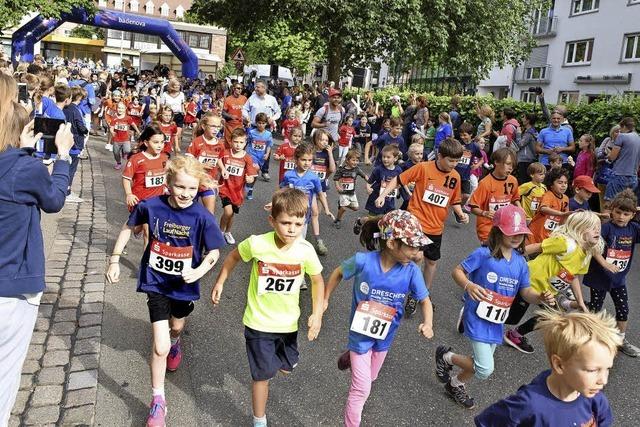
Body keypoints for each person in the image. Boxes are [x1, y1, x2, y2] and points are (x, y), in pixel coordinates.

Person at [107, 155, 225, 427]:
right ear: (168, 184)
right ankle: (158, 400)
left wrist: (199, 271)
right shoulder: (151, 206)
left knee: (177, 327)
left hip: (184, 285)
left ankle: (176, 342)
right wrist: (115, 259)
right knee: (159, 346)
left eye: (192, 189)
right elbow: (128, 227)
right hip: (156, 282)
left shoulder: (202, 217)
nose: (186, 194)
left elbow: (215, 252)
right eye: (180, 187)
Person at [211, 188, 325, 427]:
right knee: (262, 376)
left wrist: (317, 314)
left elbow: (316, 280)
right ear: (272, 221)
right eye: (285, 223)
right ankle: (259, 420)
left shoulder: (305, 250)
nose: (292, 229)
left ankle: (283, 362)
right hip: (258, 322)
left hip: (288, 324)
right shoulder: (257, 244)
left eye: (297, 223)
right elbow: (233, 257)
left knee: (286, 368)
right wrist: (220, 282)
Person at [0, 76, 74, 424]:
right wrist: (62, 157)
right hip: (10, 292)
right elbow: (55, 200)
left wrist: (22, 148)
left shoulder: (18, 164)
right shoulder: (22, 169)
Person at [435, 205, 552, 409]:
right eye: (511, 232)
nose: (516, 237)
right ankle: (447, 358)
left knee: (481, 361)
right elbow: (458, 271)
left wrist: (540, 297)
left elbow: (526, 293)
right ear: (498, 231)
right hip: (477, 316)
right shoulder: (483, 254)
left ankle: (456, 383)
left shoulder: (521, 263)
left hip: (497, 321)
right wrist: (468, 284)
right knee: (485, 368)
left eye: (520, 233)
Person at [324, 210, 434, 426]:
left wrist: (428, 323)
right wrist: (325, 299)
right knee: (362, 388)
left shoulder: (411, 271)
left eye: (418, 246)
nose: (417, 252)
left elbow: (425, 300)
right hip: (360, 335)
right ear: (392, 243)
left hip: (385, 337)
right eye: (412, 246)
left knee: (371, 379)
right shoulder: (363, 261)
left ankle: (351, 358)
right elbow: (337, 272)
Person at [475, 310, 622, 426]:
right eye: (592, 370)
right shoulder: (528, 405)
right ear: (559, 365)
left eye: (607, 368)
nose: (603, 380)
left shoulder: (596, 400)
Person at [375, 138, 469, 315]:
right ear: (440, 156)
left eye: (457, 161)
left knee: (431, 261)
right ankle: (403, 290)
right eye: (451, 160)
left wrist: (460, 213)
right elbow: (399, 180)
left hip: (436, 227)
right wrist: (383, 195)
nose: (454, 164)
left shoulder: (455, 177)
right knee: (415, 256)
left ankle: (423, 293)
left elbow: (454, 199)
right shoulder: (423, 168)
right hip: (416, 222)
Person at [504, 211, 608, 354]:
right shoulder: (565, 243)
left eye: (598, 227)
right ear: (579, 227)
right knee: (510, 317)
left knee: (551, 315)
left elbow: (574, 276)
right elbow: (537, 247)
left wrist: (581, 302)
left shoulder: (587, 255)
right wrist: (507, 256)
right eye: (592, 227)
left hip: (547, 292)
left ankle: (516, 334)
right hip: (528, 282)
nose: (597, 230)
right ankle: (474, 313)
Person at [584, 189, 640, 357]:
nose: (621, 217)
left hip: (619, 279)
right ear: (612, 210)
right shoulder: (606, 228)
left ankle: (620, 340)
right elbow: (594, 247)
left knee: (623, 309)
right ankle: (589, 340)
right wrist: (605, 264)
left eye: (626, 213)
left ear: (632, 214)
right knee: (595, 308)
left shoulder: (634, 229)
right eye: (618, 212)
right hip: (599, 277)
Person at [468, 148, 520, 243]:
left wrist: (520, 209)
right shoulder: (485, 183)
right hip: (487, 229)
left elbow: (515, 198)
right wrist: (484, 213)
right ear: (496, 162)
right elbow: (473, 207)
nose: (510, 168)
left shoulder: (513, 180)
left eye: (513, 165)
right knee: (491, 255)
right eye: (508, 164)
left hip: (505, 227)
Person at [218, 128, 258, 245]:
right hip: (225, 188)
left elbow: (251, 175)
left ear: (245, 143)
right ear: (231, 141)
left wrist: (250, 179)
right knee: (228, 211)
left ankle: (228, 232)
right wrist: (223, 169)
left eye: (241, 142)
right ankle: (220, 231)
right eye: (236, 142)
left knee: (232, 214)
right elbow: (219, 160)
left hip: (238, 191)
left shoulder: (247, 158)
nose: (238, 145)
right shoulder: (225, 152)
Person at [242, 81, 281, 181]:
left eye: (258, 87)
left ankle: (265, 171)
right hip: (253, 126)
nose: (256, 89)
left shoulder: (271, 99)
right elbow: (244, 109)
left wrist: (273, 118)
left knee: (266, 149)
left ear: (264, 88)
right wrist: (247, 117)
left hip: (266, 127)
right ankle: (246, 166)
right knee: (247, 146)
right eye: (256, 87)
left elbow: (278, 112)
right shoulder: (252, 98)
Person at [309, 129, 336, 255]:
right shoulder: (310, 151)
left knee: (316, 213)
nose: (325, 142)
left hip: (321, 187)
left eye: (326, 140)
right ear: (315, 139)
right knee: (305, 210)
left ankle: (317, 240)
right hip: (308, 186)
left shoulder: (327, 154)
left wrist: (330, 154)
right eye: (322, 139)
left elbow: (332, 169)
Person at [528, 168, 571, 244]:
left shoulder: (566, 198)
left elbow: (565, 216)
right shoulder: (549, 195)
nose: (564, 185)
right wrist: (560, 213)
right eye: (560, 183)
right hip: (536, 234)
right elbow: (543, 208)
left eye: (566, 183)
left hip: (550, 234)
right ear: (551, 184)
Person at [605, 117, 640, 205]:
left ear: (624, 126)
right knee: (626, 205)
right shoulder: (638, 137)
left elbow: (612, 157)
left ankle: (606, 219)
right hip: (633, 177)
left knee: (610, 203)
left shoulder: (622, 136)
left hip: (619, 175)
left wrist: (608, 154)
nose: (620, 131)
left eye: (620, 129)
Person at [63, 86, 88, 203]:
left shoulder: (65, 108)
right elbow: (80, 125)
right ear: (79, 97)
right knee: (71, 168)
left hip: (66, 140)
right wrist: (85, 130)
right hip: (75, 143)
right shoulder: (75, 110)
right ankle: (67, 192)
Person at [333, 149, 368, 229]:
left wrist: (369, 182)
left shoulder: (357, 169)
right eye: (353, 160)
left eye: (357, 160)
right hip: (343, 192)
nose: (355, 162)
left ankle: (341, 204)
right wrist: (337, 187)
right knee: (344, 208)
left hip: (352, 193)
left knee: (356, 208)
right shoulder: (341, 169)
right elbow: (336, 178)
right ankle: (338, 219)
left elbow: (364, 176)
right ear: (347, 160)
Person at [456, 123, 483, 217]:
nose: (462, 137)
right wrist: (458, 149)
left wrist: (476, 165)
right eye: (461, 135)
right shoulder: (457, 143)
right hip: (454, 172)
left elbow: (482, 158)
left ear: (471, 135)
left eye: (465, 135)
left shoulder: (475, 146)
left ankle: (459, 208)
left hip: (465, 175)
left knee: (466, 195)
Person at [245, 112, 273, 194]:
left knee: (256, 173)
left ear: (266, 124)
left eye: (263, 123)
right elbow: (247, 142)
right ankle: (247, 185)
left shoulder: (268, 134)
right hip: (251, 155)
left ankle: (250, 188)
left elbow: (269, 145)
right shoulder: (252, 132)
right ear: (256, 123)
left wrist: (267, 154)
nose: (261, 125)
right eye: (259, 123)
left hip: (261, 157)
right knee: (255, 168)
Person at [110, 102, 139, 170]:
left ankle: (124, 152)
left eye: (122, 108)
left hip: (125, 139)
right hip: (116, 139)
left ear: (125, 109)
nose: (120, 109)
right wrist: (112, 131)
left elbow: (133, 124)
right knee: (116, 153)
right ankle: (118, 163)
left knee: (127, 150)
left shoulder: (128, 118)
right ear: (117, 109)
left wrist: (138, 131)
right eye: (119, 108)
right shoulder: (114, 118)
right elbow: (111, 127)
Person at [516, 113, 539, 184]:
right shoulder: (534, 131)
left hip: (524, 160)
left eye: (524, 117)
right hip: (531, 159)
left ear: (528, 121)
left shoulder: (529, 133)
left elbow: (520, 144)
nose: (522, 119)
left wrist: (518, 134)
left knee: (524, 181)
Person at [222, 83, 247, 147]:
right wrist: (230, 116)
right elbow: (223, 112)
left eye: (241, 88)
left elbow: (247, 111)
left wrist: (246, 119)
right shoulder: (228, 99)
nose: (240, 90)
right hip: (230, 126)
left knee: (238, 144)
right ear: (233, 89)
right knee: (229, 145)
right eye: (238, 88)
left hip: (240, 125)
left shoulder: (244, 98)